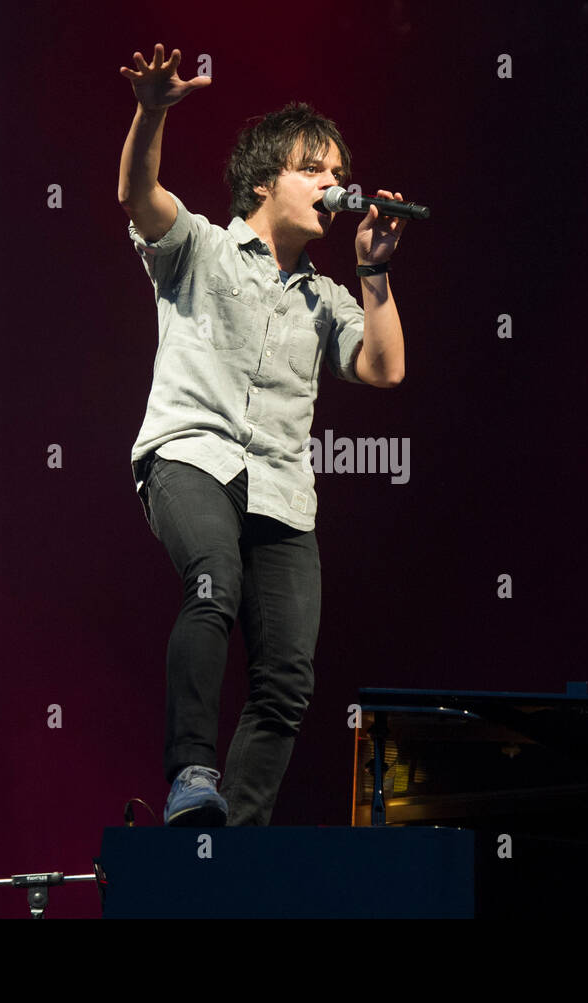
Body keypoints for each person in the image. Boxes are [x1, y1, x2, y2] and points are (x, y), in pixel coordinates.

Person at [117, 44, 408, 826]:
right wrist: (152, 110)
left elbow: (384, 368)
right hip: (190, 457)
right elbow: (139, 195)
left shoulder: (326, 296)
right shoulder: (203, 248)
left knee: (287, 678)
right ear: (262, 181)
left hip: (280, 491)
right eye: (314, 169)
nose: (334, 185)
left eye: (339, 172)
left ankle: (230, 847)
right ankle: (190, 775)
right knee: (212, 579)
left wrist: (374, 274)